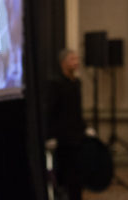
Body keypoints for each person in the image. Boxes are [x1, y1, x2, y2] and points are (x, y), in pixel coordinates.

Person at [46, 49, 86, 200]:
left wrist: (85, 128)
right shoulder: (56, 84)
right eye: (72, 59)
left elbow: (77, 111)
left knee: (77, 175)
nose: (76, 62)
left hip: (77, 137)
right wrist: (50, 136)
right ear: (63, 63)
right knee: (64, 175)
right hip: (62, 139)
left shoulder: (77, 83)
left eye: (77, 59)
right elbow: (50, 111)